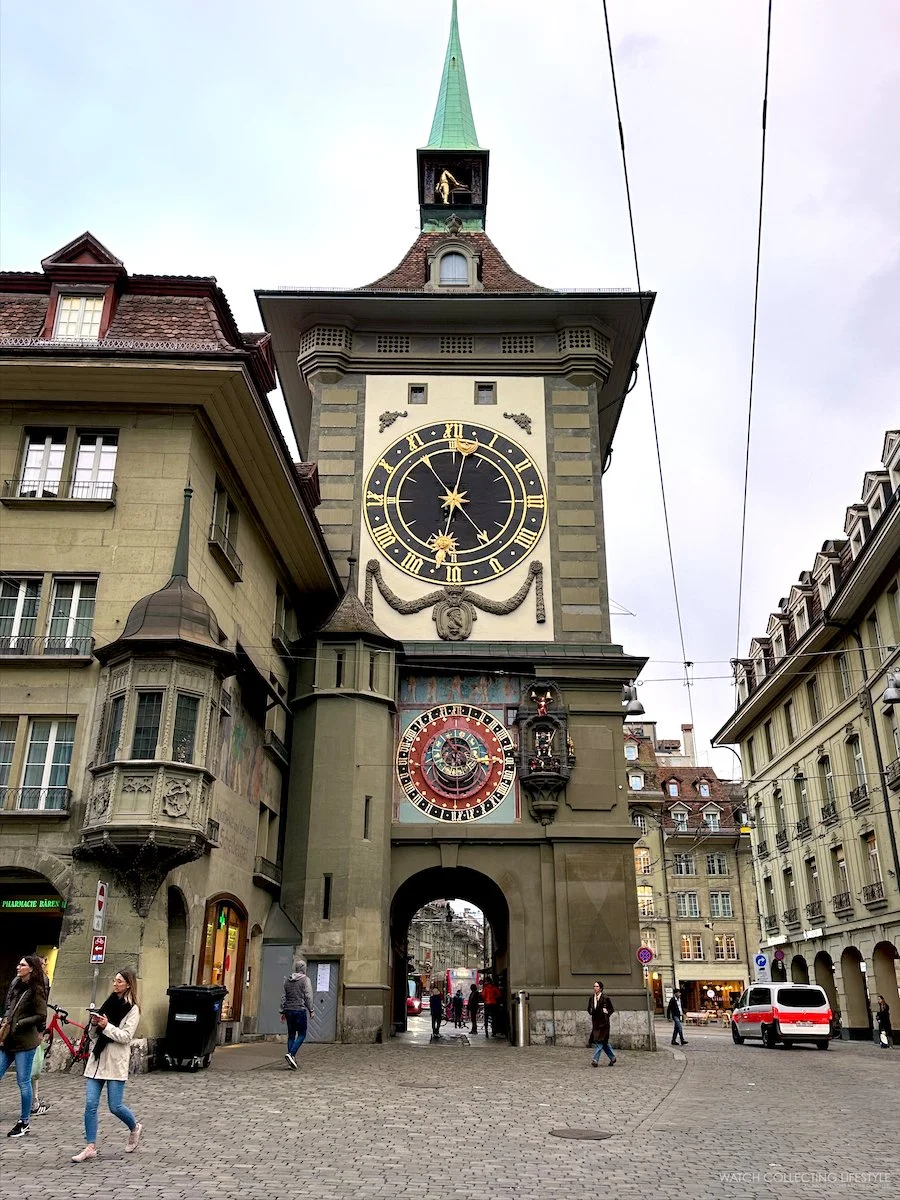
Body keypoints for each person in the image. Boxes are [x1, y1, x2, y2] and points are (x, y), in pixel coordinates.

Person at [72, 968, 142, 1162]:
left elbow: (126, 1036)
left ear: (128, 984)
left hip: (115, 1061)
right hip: (97, 1060)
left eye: (119, 981)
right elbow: (93, 1034)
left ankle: (134, 1127)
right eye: (114, 980)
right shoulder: (109, 1002)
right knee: (90, 1104)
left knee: (115, 1106)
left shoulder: (133, 1008)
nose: (115, 984)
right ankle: (90, 1146)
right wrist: (94, 1024)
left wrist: (107, 1026)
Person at [0, 955, 48, 1138]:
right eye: (19, 963)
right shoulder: (15, 983)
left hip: (25, 1042)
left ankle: (24, 1121)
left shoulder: (37, 989)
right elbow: (9, 1006)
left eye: (22, 965)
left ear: (31, 969)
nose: (18, 967)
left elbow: (41, 1015)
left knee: (23, 1081)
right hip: (8, 1040)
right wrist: (6, 1019)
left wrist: (20, 1023)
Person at [280, 960, 314, 1070]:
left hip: (289, 1010)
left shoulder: (287, 980)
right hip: (299, 1009)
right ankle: (291, 1054)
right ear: (304, 969)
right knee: (302, 1034)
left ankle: (291, 1060)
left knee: (291, 1035)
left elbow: (283, 997)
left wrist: (282, 1011)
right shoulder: (305, 980)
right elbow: (308, 996)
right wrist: (311, 1010)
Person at [587, 980, 616, 1067]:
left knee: (599, 1042)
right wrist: (590, 1011)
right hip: (596, 1023)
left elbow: (611, 1009)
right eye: (594, 986)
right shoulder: (591, 998)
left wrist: (606, 1013)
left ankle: (595, 1060)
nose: (595, 988)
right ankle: (612, 1057)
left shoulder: (605, 998)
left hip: (604, 1024)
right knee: (603, 1043)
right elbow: (588, 1008)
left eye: (597, 986)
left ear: (601, 988)